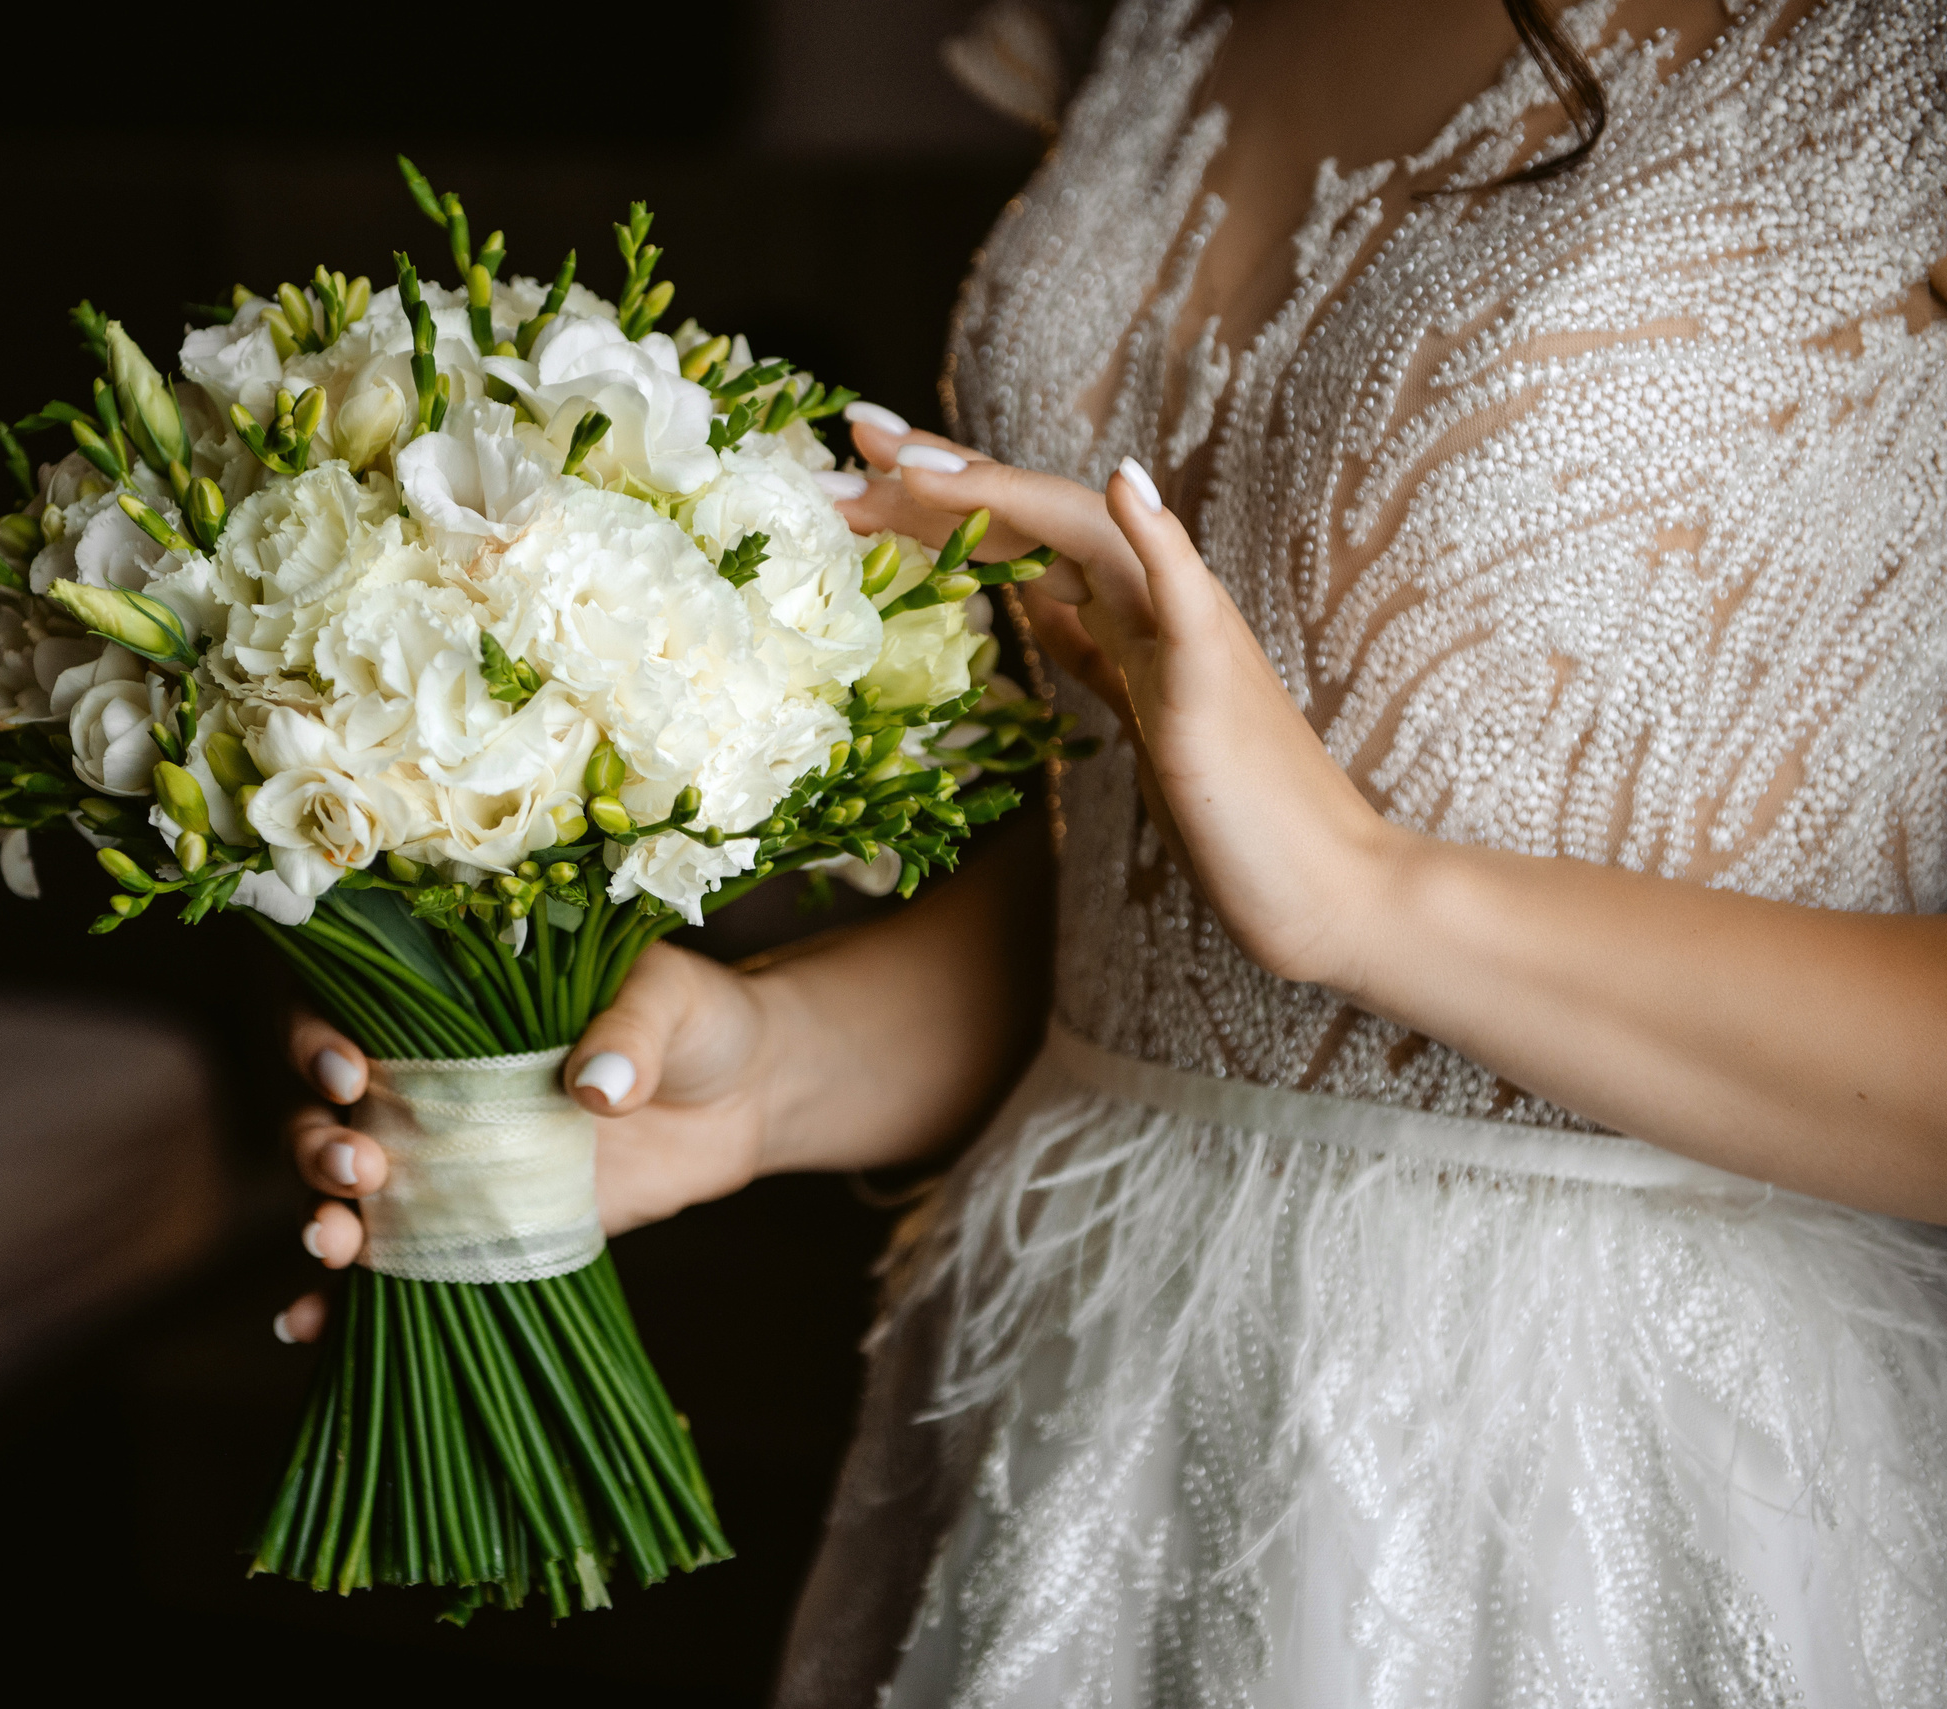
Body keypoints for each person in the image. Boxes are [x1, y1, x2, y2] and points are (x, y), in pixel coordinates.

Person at [277, 0, 1947, 1700]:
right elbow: (1153, 864)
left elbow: (1301, 870)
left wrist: (1367, 894)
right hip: (1070, 1381)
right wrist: (773, 1067)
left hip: (1618, 1465)